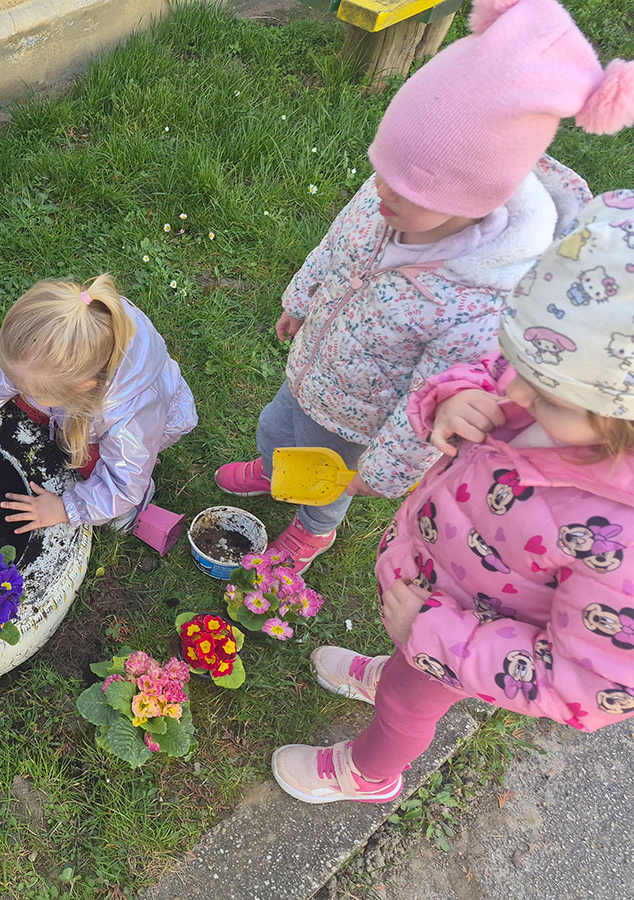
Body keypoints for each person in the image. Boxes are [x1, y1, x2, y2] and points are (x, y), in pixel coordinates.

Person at [213, 0, 634, 573]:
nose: (381, 190)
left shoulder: (480, 306)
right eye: (380, 168)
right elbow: (337, 244)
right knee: (279, 423)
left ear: (473, 198)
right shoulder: (395, 192)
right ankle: (271, 469)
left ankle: (312, 532)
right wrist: (301, 298)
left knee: (325, 478)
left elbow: (431, 411)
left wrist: (374, 476)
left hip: (359, 418)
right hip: (315, 364)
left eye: (402, 186)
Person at [271, 193, 634, 804]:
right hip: (437, 579)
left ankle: (368, 774)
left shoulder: (621, 546)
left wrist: (435, 633)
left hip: (471, 634)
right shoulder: (555, 381)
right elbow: (491, 371)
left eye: (543, 395)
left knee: (406, 708)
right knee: (405, 674)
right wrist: (453, 393)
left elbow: (585, 683)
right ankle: (392, 668)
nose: (512, 389)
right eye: (516, 359)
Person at [0, 273, 197, 533]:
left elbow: (123, 483)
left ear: (82, 389)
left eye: (30, 390)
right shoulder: (46, 349)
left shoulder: (129, 420)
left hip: (139, 429)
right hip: (82, 404)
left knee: (93, 463)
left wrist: (64, 508)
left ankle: (138, 503)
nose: (18, 392)